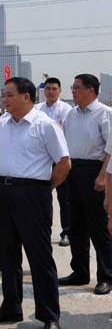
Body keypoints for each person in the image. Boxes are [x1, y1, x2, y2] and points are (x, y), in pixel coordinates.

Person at [0, 77, 69, 329]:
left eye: (9, 95)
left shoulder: (45, 125)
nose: (4, 100)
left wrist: (43, 188)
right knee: (7, 255)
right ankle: (11, 307)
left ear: (26, 96)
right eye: (3, 95)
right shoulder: (3, 123)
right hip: (4, 193)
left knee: (39, 256)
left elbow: (64, 163)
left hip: (33, 194)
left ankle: (49, 316)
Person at [60, 74, 112, 296]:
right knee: (76, 225)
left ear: (91, 90)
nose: (73, 91)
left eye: (77, 87)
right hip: (73, 171)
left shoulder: (104, 113)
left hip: (94, 171)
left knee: (98, 226)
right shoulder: (71, 114)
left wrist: (102, 176)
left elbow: (110, 149)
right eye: (72, 87)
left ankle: (107, 276)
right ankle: (80, 272)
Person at [36, 77, 73, 247]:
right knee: (41, 196)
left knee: (64, 198)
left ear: (60, 91)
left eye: (54, 89)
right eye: (48, 88)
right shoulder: (37, 109)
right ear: (44, 91)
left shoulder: (66, 109)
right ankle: (43, 231)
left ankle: (67, 232)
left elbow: (62, 129)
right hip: (42, 159)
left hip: (60, 158)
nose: (51, 92)